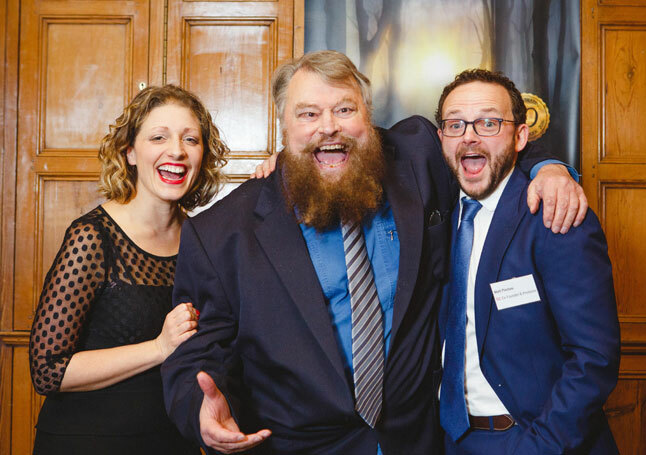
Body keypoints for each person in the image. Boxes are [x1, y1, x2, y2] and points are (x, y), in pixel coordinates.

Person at [161, 50, 584, 455]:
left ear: (369, 118)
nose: (329, 126)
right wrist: (198, 410)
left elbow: (489, 143)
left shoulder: (416, 156)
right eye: (308, 114)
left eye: (345, 110)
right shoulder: (220, 232)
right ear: (283, 129)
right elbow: (197, 352)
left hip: (418, 442)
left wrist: (551, 169)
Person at [29, 84, 228, 455]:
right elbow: (47, 370)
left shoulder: (205, 242)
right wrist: (158, 347)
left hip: (173, 442)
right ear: (130, 152)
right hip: (88, 443)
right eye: (159, 137)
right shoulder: (92, 238)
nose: (177, 151)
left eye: (191, 139)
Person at [435, 69, 620, 454]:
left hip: (534, 440)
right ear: (442, 138)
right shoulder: (435, 212)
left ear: (520, 136)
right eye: (455, 124)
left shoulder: (555, 212)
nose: (469, 135)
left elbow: (594, 357)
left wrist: (540, 446)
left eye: (488, 122)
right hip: (452, 440)